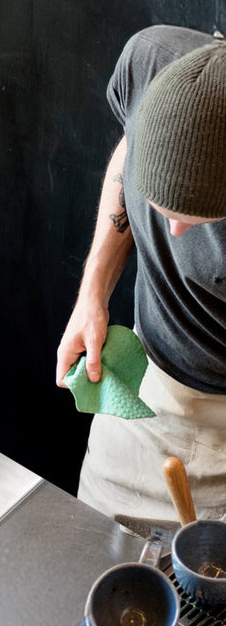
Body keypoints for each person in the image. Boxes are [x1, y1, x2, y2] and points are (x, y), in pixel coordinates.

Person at [56, 26, 226, 527]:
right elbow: (130, 144)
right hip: (142, 391)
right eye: (160, 207)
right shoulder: (150, 62)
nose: (174, 231)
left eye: (197, 217)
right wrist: (94, 292)